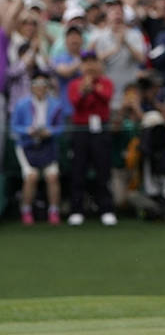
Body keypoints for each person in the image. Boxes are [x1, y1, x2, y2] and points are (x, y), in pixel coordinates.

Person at [66, 51, 118, 226]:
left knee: (103, 170)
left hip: (100, 130)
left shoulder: (105, 83)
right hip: (80, 131)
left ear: (98, 64)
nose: (89, 66)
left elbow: (106, 99)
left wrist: (93, 89)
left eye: (92, 61)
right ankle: (76, 210)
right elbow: (75, 103)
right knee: (78, 170)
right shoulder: (75, 84)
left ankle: (106, 209)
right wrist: (83, 91)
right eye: (85, 62)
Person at [12, 72, 64, 225]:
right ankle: (26, 210)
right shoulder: (22, 105)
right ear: (32, 87)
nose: (40, 89)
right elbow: (15, 126)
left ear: (47, 87)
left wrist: (50, 132)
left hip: (48, 145)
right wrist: (28, 130)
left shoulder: (56, 104)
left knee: (52, 176)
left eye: (43, 86)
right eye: (37, 85)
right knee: (31, 177)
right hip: (27, 145)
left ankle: (54, 210)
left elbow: (60, 128)